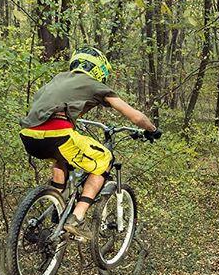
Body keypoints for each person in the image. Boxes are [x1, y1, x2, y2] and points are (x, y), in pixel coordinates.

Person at [19, 46, 161, 240]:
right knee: (104, 159)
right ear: (98, 69)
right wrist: (152, 129)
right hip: (58, 134)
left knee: (60, 158)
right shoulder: (94, 84)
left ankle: (56, 204)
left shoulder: (59, 79)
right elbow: (135, 117)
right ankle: (77, 217)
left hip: (28, 136)